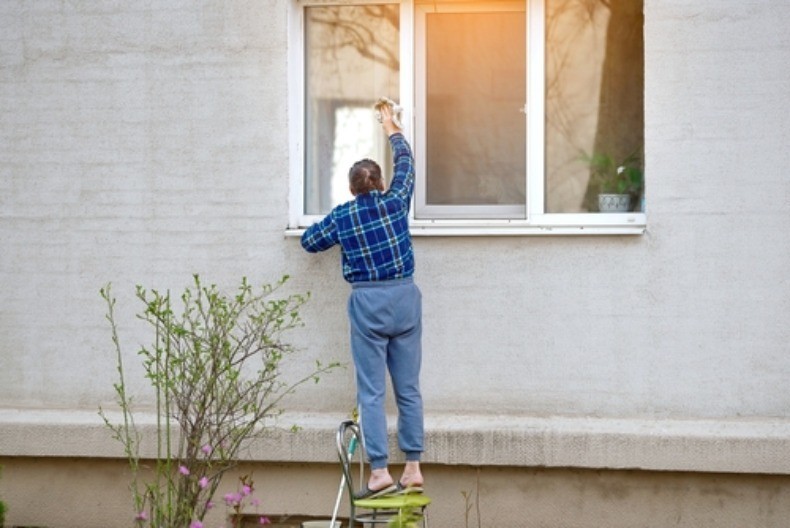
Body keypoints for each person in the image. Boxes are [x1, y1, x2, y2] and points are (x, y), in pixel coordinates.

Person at [301, 101, 425, 499]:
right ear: (381, 184)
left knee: (371, 391)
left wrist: (337, 224)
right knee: (408, 388)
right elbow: (406, 161)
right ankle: (413, 467)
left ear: (354, 189)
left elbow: (309, 242)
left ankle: (378, 472)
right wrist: (390, 125)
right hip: (405, 296)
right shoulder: (395, 202)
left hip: (367, 303)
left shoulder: (345, 216)